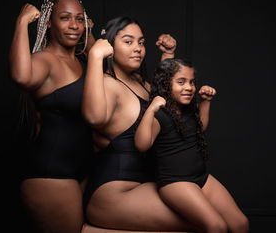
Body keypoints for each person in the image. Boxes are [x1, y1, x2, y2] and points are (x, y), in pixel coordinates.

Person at [82, 16, 193, 230]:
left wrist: (168, 55)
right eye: (128, 41)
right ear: (110, 45)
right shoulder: (108, 83)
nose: (138, 49)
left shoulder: (141, 84)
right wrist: (96, 56)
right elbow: (93, 117)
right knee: (200, 220)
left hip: (143, 186)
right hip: (112, 195)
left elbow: (167, 105)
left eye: (141, 42)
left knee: (210, 216)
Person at [8, 0, 95, 233]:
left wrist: (88, 34)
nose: (74, 25)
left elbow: (108, 67)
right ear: (48, 23)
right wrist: (22, 22)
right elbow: (21, 77)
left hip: (83, 171)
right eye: (65, 18)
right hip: (51, 174)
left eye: (79, 19)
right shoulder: (44, 60)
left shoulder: (83, 61)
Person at [134, 58, 249, 233]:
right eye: (181, 82)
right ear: (166, 84)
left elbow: (199, 129)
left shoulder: (188, 109)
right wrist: (150, 110)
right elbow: (142, 145)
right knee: (216, 226)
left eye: (192, 82)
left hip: (200, 177)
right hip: (176, 182)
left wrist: (205, 101)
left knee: (241, 224)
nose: (189, 87)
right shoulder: (161, 115)